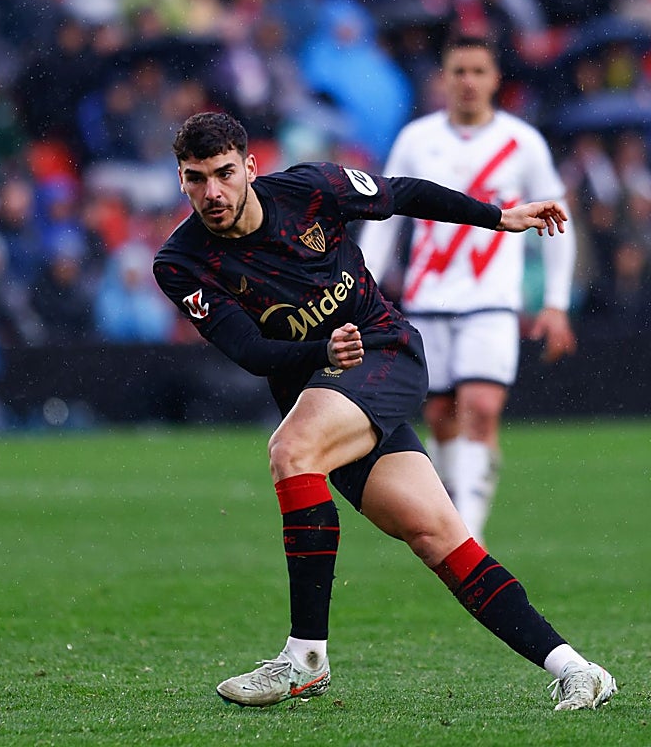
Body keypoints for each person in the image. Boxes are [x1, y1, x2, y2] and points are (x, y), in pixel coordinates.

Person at [152, 111, 615, 711]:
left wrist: (498, 217)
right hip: (321, 386)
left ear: (250, 167)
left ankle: (304, 657)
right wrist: (321, 350)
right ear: (181, 180)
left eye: (223, 173)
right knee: (437, 536)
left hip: (383, 350)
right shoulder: (181, 261)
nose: (212, 192)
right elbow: (248, 351)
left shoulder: (312, 188)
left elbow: (404, 193)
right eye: (196, 179)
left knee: (291, 450)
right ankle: (577, 669)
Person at [356, 34, 576, 543]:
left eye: (478, 71)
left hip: (492, 301)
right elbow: (384, 217)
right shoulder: (417, 139)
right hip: (428, 299)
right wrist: (361, 288)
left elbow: (557, 220)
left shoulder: (522, 142)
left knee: (480, 408)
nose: (469, 82)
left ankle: (468, 532)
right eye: (459, 71)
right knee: (440, 415)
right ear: (444, 78)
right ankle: (454, 512)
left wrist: (556, 303)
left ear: (496, 78)